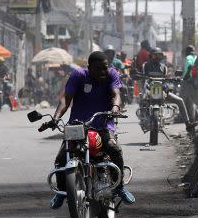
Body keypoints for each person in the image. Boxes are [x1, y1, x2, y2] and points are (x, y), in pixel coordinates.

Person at [42, 51, 134, 209]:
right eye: (98, 69)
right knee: (62, 158)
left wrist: (115, 108)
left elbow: (116, 94)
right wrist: (56, 117)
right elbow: (65, 99)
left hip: (103, 124)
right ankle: (62, 191)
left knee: (113, 148)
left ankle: (119, 188)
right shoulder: (78, 75)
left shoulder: (112, 74)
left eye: (105, 68)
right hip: (77, 126)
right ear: (89, 67)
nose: (103, 72)